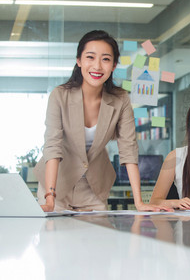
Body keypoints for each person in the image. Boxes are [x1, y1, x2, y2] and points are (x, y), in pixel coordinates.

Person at [35, 30, 170, 212]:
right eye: (90, 57)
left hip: (94, 187)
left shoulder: (120, 99)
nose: (97, 66)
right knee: (54, 238)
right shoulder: (60, 95)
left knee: (99, 239)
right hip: (57, 184)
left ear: (114, 65)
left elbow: (128, 149)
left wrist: (139, 202)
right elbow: (52, 145)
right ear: (79, 61)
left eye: (105, 59)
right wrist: (50, 197)